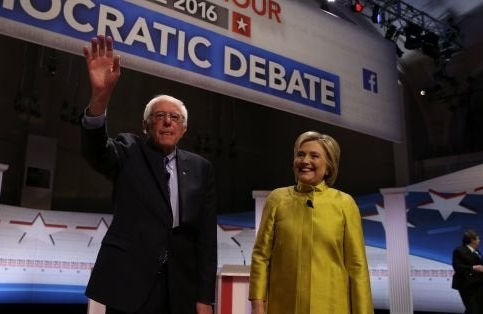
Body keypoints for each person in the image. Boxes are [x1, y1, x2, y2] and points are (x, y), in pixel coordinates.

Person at [80, 34, 217, 314]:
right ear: (145, 125)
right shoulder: (129, 151)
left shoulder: (201, 168)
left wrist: (205, 297)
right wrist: (100, 97)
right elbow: (95, 151)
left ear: (184, 129)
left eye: (175, 117)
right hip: (129, 283)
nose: (168, 121)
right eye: (159, 116)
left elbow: (205, 239)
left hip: (180, 287)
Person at [248, 131, 373, 314]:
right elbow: (261, 257)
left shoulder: (345, 203)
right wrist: (258, 305)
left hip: (332, 306)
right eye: (300, 154)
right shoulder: (277, 199)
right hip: (283, 306)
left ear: (329, 166)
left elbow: (357, 266)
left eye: (314, 156)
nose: (305, 160)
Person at [452, 229, 483, 314]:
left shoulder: (477, 252)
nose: (479, 241)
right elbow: (458, 267)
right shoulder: (459, 250)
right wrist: (473, 267)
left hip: (479, 284)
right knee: (473, 310)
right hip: (467, 286)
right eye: (477, 239)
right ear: (472, 240)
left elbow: (481, 268)